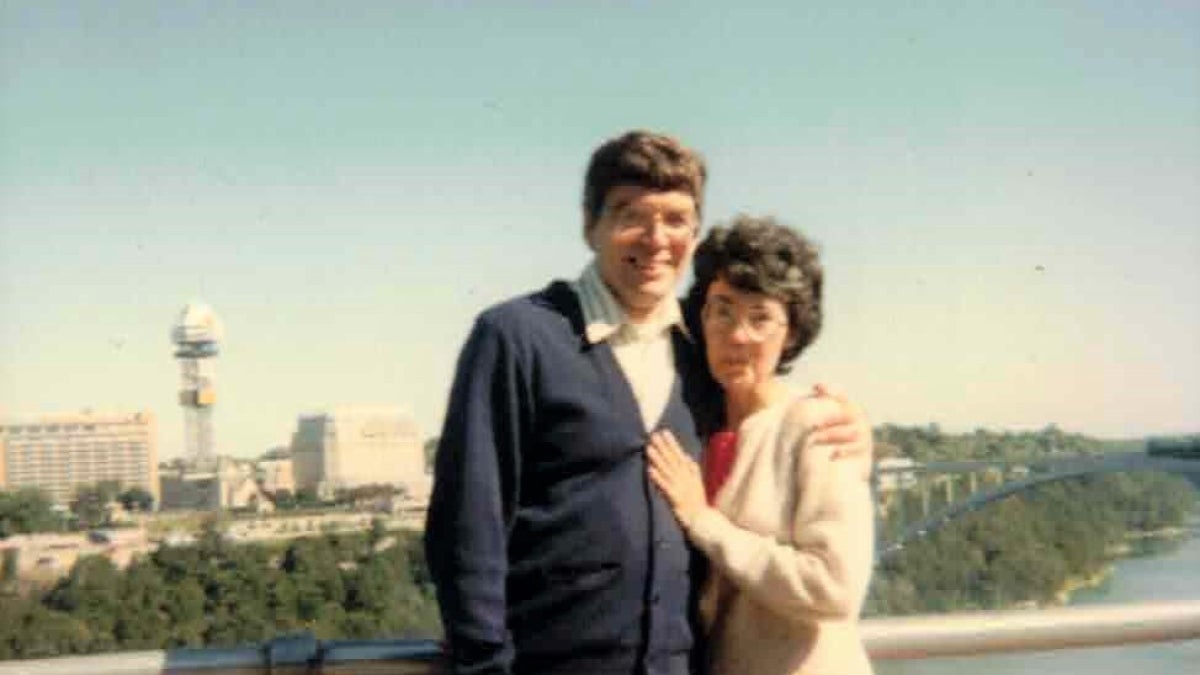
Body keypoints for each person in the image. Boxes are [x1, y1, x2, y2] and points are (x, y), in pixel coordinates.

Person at [424, 131, 871, 675]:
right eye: (631, 214)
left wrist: (854, 429)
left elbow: (768, 407)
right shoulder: (518, 339)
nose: (657, 239)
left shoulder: (699, 352)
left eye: (677, 219)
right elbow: (469, 527)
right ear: (590, 226)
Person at [646, 215, 876, 675]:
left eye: (761, 317)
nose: (737, 335)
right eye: (723, 310)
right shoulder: (695, 429)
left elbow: (834, 587)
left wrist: (704, 522)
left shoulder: (816, 426)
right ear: (701, 316)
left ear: (791, 332)